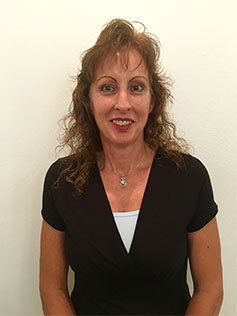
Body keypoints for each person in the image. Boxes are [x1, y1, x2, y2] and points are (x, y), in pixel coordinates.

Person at [39, 18, 223, 315]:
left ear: (152, 101)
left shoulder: (190, 177)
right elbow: (53, 288)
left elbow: (210, 290)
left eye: (136, 87)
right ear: (88, 100)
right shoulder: (62, 181)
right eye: (108, 87)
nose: (122, 103)